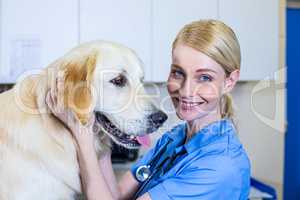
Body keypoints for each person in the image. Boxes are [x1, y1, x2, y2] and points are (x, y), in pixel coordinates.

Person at [46, 19, 251, 200]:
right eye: (178, 73)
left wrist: (81, 134)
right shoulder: (174, 139)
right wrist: (104, 127)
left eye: (204, 77)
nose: (186, 90)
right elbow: (115, 196)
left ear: (229, 81)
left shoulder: (219, 167)